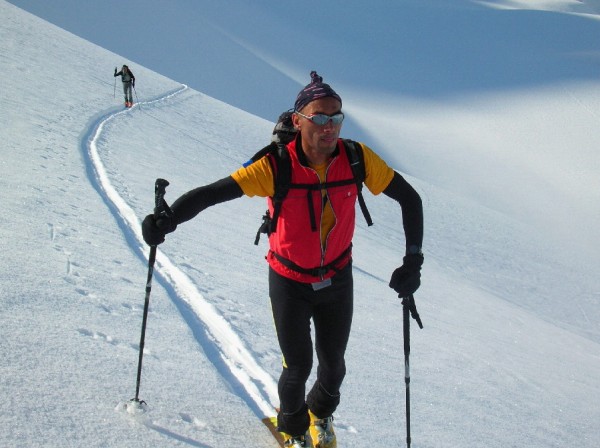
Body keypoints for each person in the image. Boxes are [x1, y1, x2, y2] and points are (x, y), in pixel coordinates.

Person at [142, 71, 424, 448]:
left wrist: (413, 261)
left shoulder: (356, 159)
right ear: (298, 120)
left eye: (336, 117)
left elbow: (410, 199)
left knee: (334, 366)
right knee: (298, 367)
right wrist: (169, 218)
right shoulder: (277, 166)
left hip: (338, 277)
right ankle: (293, 431)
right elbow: (213, 193)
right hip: (289, 280)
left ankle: (320, 416)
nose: (330, 127)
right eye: (319, 117)